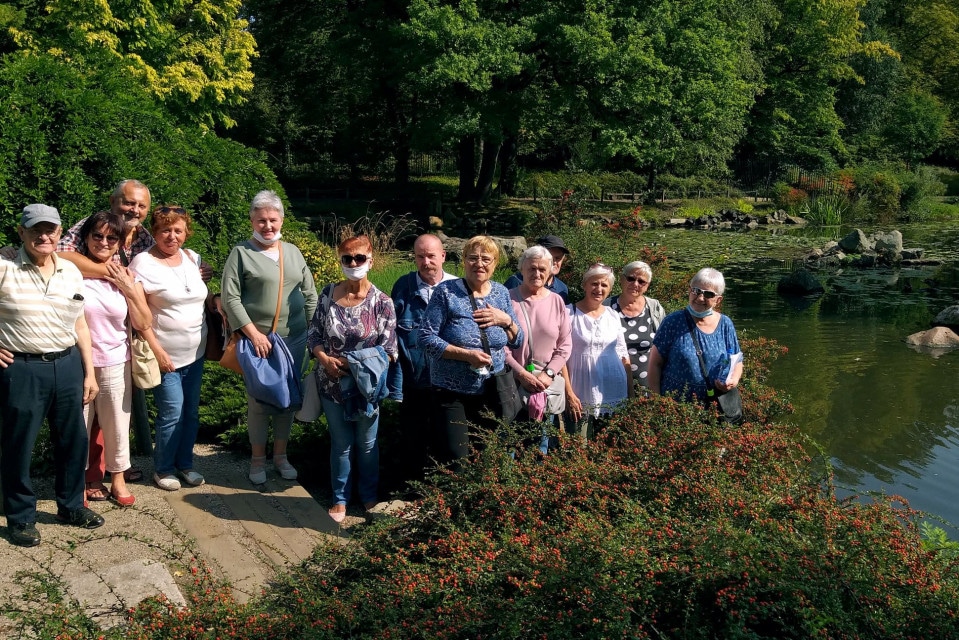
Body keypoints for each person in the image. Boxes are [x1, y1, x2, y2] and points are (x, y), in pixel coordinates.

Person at [0, 204, 104, 547]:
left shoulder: (71, 271)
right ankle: (21, 517)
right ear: (22, 232)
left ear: (60, 233)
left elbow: (79, 323)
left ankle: (71, 505)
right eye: (36, 230)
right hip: (22, 369)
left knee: (73, 441)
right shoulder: (4, 266)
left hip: (68, 364)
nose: (44, 236)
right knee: (19, 445)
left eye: (50, 230)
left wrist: (89, 373)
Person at [221, 190, 317, 485]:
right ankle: (258, 459)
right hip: (259, 341)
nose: (267, 225)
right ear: (252, 219)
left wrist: (315, 336)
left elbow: (310, 294)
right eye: (261, 220)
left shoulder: (292, 252)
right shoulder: (241, 253)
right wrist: (253, 334)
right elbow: (230, 297)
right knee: (260, 401)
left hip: (294, 339)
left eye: (272, 219)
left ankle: (281, 456)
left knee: (287, 399)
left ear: (281, 220)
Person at [308, 235, 397, 523]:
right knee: (341, 443)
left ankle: (369, 496)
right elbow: (315, 335)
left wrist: (351, 363)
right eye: (347, 258)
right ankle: (340, 497)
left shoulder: (382, 302)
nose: (354, 263)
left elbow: (389, 349)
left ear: (371, 260)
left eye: (360, 258)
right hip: (331, 384)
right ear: (341, 260)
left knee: (368, 444)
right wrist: (323, 358)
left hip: (365, 387)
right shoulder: (327, 294)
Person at [77, 211, 158, 506]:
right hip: (78, 361)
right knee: (79, 425)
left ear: (119, 242)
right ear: (85, 239)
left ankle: (118, 478)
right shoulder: (70, 270)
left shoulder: (125, 274)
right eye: (97, 236)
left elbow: (143, 321)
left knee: (117, 424)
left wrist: (128, 290)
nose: (104, 242)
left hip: (115, 359)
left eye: (111, 237)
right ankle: (80, 480)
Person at [420, 235, 523, 466]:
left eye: (486, 259)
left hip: (492, 389)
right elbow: (425, 338)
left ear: (495, 263)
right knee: (459, 459)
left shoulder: (501, 293)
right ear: (463, 261)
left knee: (489, 455)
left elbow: (518, 341)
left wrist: (506, 320)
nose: (479, 264)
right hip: (452, 391)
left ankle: (483, 501)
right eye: (473, 258)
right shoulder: (446, 293)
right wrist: (466, 355)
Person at [130, 206, 208, 491]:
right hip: (166, 356)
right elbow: (138, 316)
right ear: (155, 232)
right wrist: (158, 352)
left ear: (187, 233)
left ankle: (185, 465)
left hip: (196, 354)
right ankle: (162, 469)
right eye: (165, 230)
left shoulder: (191, 258)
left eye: (178, 230)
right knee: (172, 413)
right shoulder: (142, 263)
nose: (171, 236)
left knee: (190, 413)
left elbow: (199, 296)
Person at [390, 234, 456, 480]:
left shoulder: (457, 287)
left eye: (431, 256)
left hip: (449, 381)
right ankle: (412, 495)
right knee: (413, 440)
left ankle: (444, 493)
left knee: (447, 440)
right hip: (414, 380)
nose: (426, 262)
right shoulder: (404, 288)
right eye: (420, 256)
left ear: (443, 256)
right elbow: (393, 335)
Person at [505, 245, 571, 453]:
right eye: (531, 268)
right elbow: (499, 345)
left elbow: (565, 344)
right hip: (512, 383)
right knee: (509, 443)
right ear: (521, 270)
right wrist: (521, 373)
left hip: (544, 385)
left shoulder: (557, 301)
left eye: (542, 269)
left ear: (551, 270)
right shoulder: (507, 299)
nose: (537, 273)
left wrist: (549, 373)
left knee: (539, 444)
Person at [648, 268, 743, 404]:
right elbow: (654, 364)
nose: (700, 298)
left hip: (715, 405)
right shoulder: (673, 321)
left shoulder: (725, 324)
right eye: (696, 291)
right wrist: (656, 401)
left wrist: (733, 380)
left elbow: (737, 360)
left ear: (718, 300)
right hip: (675, 405)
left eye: (708, 294)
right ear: (689, 290)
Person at [564, 263, 632, 438]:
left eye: (604, 285)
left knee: (609, 448)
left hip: (613, 389)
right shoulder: (569, 313)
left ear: (610, 289)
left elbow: (623, 356)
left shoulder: (613, 315)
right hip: (579, 391)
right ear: (584, 284)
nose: (599, 289)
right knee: (578, 446)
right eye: (594, 283)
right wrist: (569, 392)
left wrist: (630, 395)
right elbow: (561, 356)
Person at [606, 261, 666, 394]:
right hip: (612, 384)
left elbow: (664, 345)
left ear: (647, 286)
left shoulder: (654, 307)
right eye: (631, 278)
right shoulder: (606, 307)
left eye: (641, 281)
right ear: (622, 279)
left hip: (649, 386)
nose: (635, 284)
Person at [503, 235, 571, 303]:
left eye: (558, 258)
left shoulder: (562, 288)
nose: (554, 262)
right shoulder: (516, 281)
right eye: (550, 258)